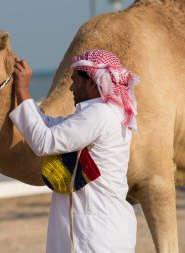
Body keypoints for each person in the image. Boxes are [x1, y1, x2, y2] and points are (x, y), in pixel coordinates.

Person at [9, 50, 139, 253]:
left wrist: (23, 90)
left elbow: (44, 141)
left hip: (97, 234)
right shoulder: (107, 113)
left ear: (91, 83)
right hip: (105, 229)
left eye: (75, 80)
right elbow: (51, 127)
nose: (71, 87)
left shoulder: (99, 115)